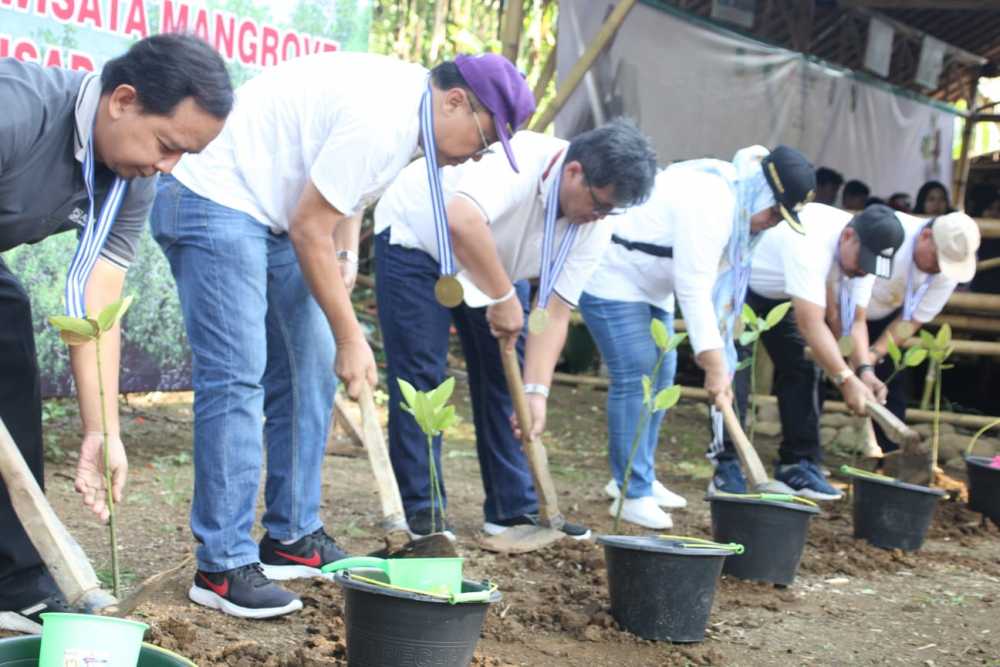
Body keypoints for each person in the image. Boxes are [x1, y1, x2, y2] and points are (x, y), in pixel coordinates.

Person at [150, 52, 535, 619]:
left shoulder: (414, 117)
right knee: (237, 375)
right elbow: (311, 224)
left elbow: (340, 196)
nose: (477, 153)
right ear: (456, 101)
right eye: (483, 138)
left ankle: (292, 537)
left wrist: (346, 251)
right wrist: (353, 334)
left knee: (311, 365)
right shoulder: (385, 118)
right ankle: (222, 566)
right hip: (215, 197)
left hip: (276, 214)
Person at [0, 35, 232, 627]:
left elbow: (96, 301)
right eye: (166, 145)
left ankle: (16, 578)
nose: (166, 166)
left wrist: (101, 431)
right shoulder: (16, 111)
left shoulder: (131, 180)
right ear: (123, 100)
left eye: (183, 156)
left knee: (9, 336)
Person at [372, 119, 657, 541]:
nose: (598, 217)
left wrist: (537, 392)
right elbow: (462, 220)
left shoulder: (596, 222)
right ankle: (424, 509)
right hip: (422, 240)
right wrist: (504, 298)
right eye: (598, 204)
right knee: (423, 377)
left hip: (496, 260)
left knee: (510, 385)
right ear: (575, 171)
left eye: (609, 211)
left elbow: (555, 310)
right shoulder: (518, 157)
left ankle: (512, 509)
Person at [579, 145, 816, 529]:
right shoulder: (713, 203)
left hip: (652, 283)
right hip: (612, 271)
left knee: (663, 371)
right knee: (637, 371)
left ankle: (637, 474)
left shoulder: (740, 212)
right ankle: (631, 490)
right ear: (761, 191)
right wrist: (714, 364)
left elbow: (713, 291)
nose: (773, 223)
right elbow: (694, 287)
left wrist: (719, 360)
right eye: (774, 212)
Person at [712, 204, 905, 499]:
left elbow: (854, 320)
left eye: (871, 265)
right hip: (741, 281)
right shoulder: (811, 239)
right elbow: (810, 322)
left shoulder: (865, 257)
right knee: (734, 369)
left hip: (781, 293)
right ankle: (726, 464)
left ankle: (796, 463)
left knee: (804, 366)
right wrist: (844, 378)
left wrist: (864, 371)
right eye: (862, 261)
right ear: (848, 236)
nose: (863, 270)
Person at [863, 212, 980, 453]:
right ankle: (805, 457)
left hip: (889, 317)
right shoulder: (889, 233)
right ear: (926, 236)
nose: (939, 269)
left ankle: (889, 456)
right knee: (818, 372)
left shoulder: (946, 273)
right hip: (840, 304)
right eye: (938, 260)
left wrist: (873, 355)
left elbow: (911, 321)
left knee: (890, 382)